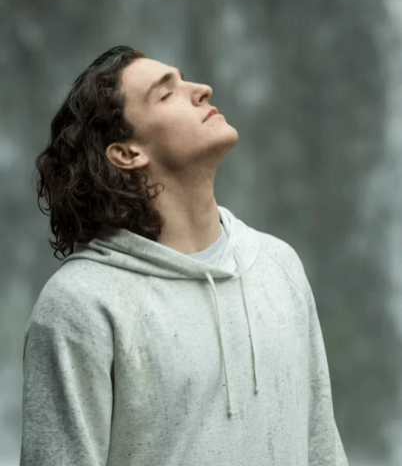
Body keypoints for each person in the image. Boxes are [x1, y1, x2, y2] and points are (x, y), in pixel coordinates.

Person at [20, 45, 349, 465]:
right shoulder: (81, 304)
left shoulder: (278, 264)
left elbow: (322, 447)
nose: (203, 89)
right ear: (127, 152)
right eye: (165, 92)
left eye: (186, 79)